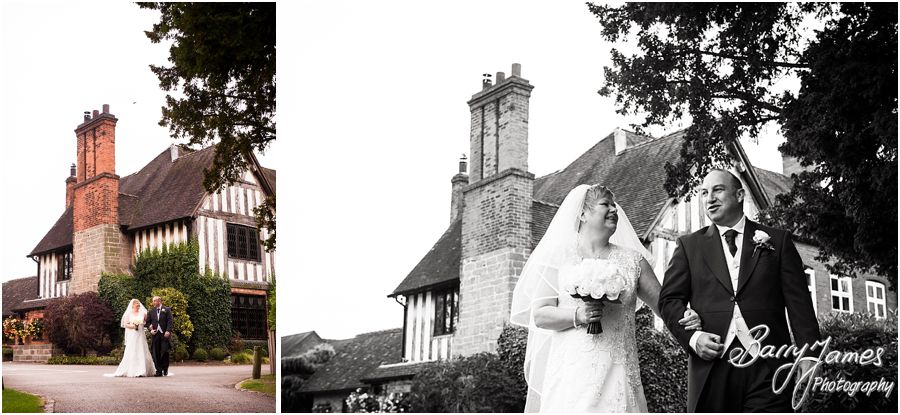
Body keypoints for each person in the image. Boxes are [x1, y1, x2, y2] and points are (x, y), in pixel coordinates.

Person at [511, 184, 702, 412]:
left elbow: (665, 306)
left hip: (619, 375)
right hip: (571, 378)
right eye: (605, 204)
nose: (614, 210)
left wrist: (687, 317)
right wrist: (578, 315)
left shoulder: (633, 260)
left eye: (614, 205)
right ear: (582, 213)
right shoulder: (558, 257)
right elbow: (541, 315)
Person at [658, 169, 820, 412]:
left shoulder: (778, 241)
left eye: (718, 190)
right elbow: (669, 302)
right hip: (712, 366)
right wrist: (693, 338)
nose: (709, 198)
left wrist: (811, 354)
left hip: (770, 367)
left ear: (740, 194)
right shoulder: (689, 246)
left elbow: (799, 304)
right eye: (704, 193)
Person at [113, 299, 156, 377]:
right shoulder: (128, 314)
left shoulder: (143, 313)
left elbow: (147, 322)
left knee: (142, 349)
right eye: (136, 304)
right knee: (132, 350)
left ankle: (143, 370)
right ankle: (133, 370)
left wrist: (150, 326)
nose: (138, 306)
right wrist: (133, 326)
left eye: (139, 304)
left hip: (141, 334)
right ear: (132, 305)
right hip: (132, 335)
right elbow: (125, 324)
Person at [145, 296, 174, 377]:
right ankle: (159, 370)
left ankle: (165, 368)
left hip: (165, 334)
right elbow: (147, 323)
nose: (153, 302)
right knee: (156, 353)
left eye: (155, 301)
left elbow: (170, 321)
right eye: (153, 301)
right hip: (156, 334)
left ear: (159, 301)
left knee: (164, 351)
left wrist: (168, 330)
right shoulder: (151, 311)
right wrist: (150, 329)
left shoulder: (167, 310)